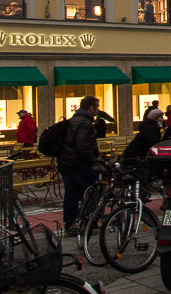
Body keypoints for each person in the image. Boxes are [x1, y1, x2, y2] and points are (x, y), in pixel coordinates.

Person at [58, 96, 101, 236]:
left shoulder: (72, 121)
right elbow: (82, 147)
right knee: (92, 192)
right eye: (97, 107)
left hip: (66, 163)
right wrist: (92, 162)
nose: (98, 110)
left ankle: (70, 225)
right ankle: (88, 224)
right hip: (79, 164)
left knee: (71, 195)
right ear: (91, 108)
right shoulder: (85, 124)